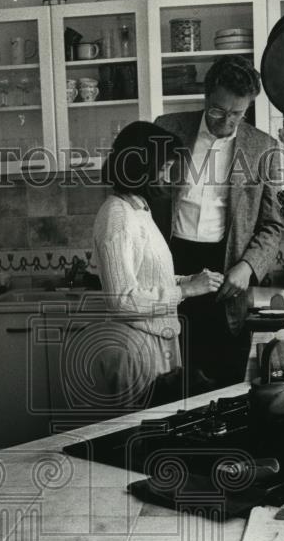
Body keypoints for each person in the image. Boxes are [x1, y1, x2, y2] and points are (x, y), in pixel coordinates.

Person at [154, 55, 284, 389]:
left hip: (227, 273)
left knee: (221, 384)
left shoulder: (263, 148)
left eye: (237, 113)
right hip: (172, 265)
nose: (227, 121)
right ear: (206, 96)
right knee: (169, 382)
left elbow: (272, 225)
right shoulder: (167, 128)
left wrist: (248, 267)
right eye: (218, 110)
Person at [86, 121, 224, 409]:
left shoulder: (138, 209)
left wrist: (186, 281)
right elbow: (121, 300)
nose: (167, 173)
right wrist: (185, 292)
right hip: (134, 348)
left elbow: (146, 278)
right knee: (137, 442)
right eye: (163, 166)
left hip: (153, 341)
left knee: (156, 437)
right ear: (141, 165)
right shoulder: (117, 215)